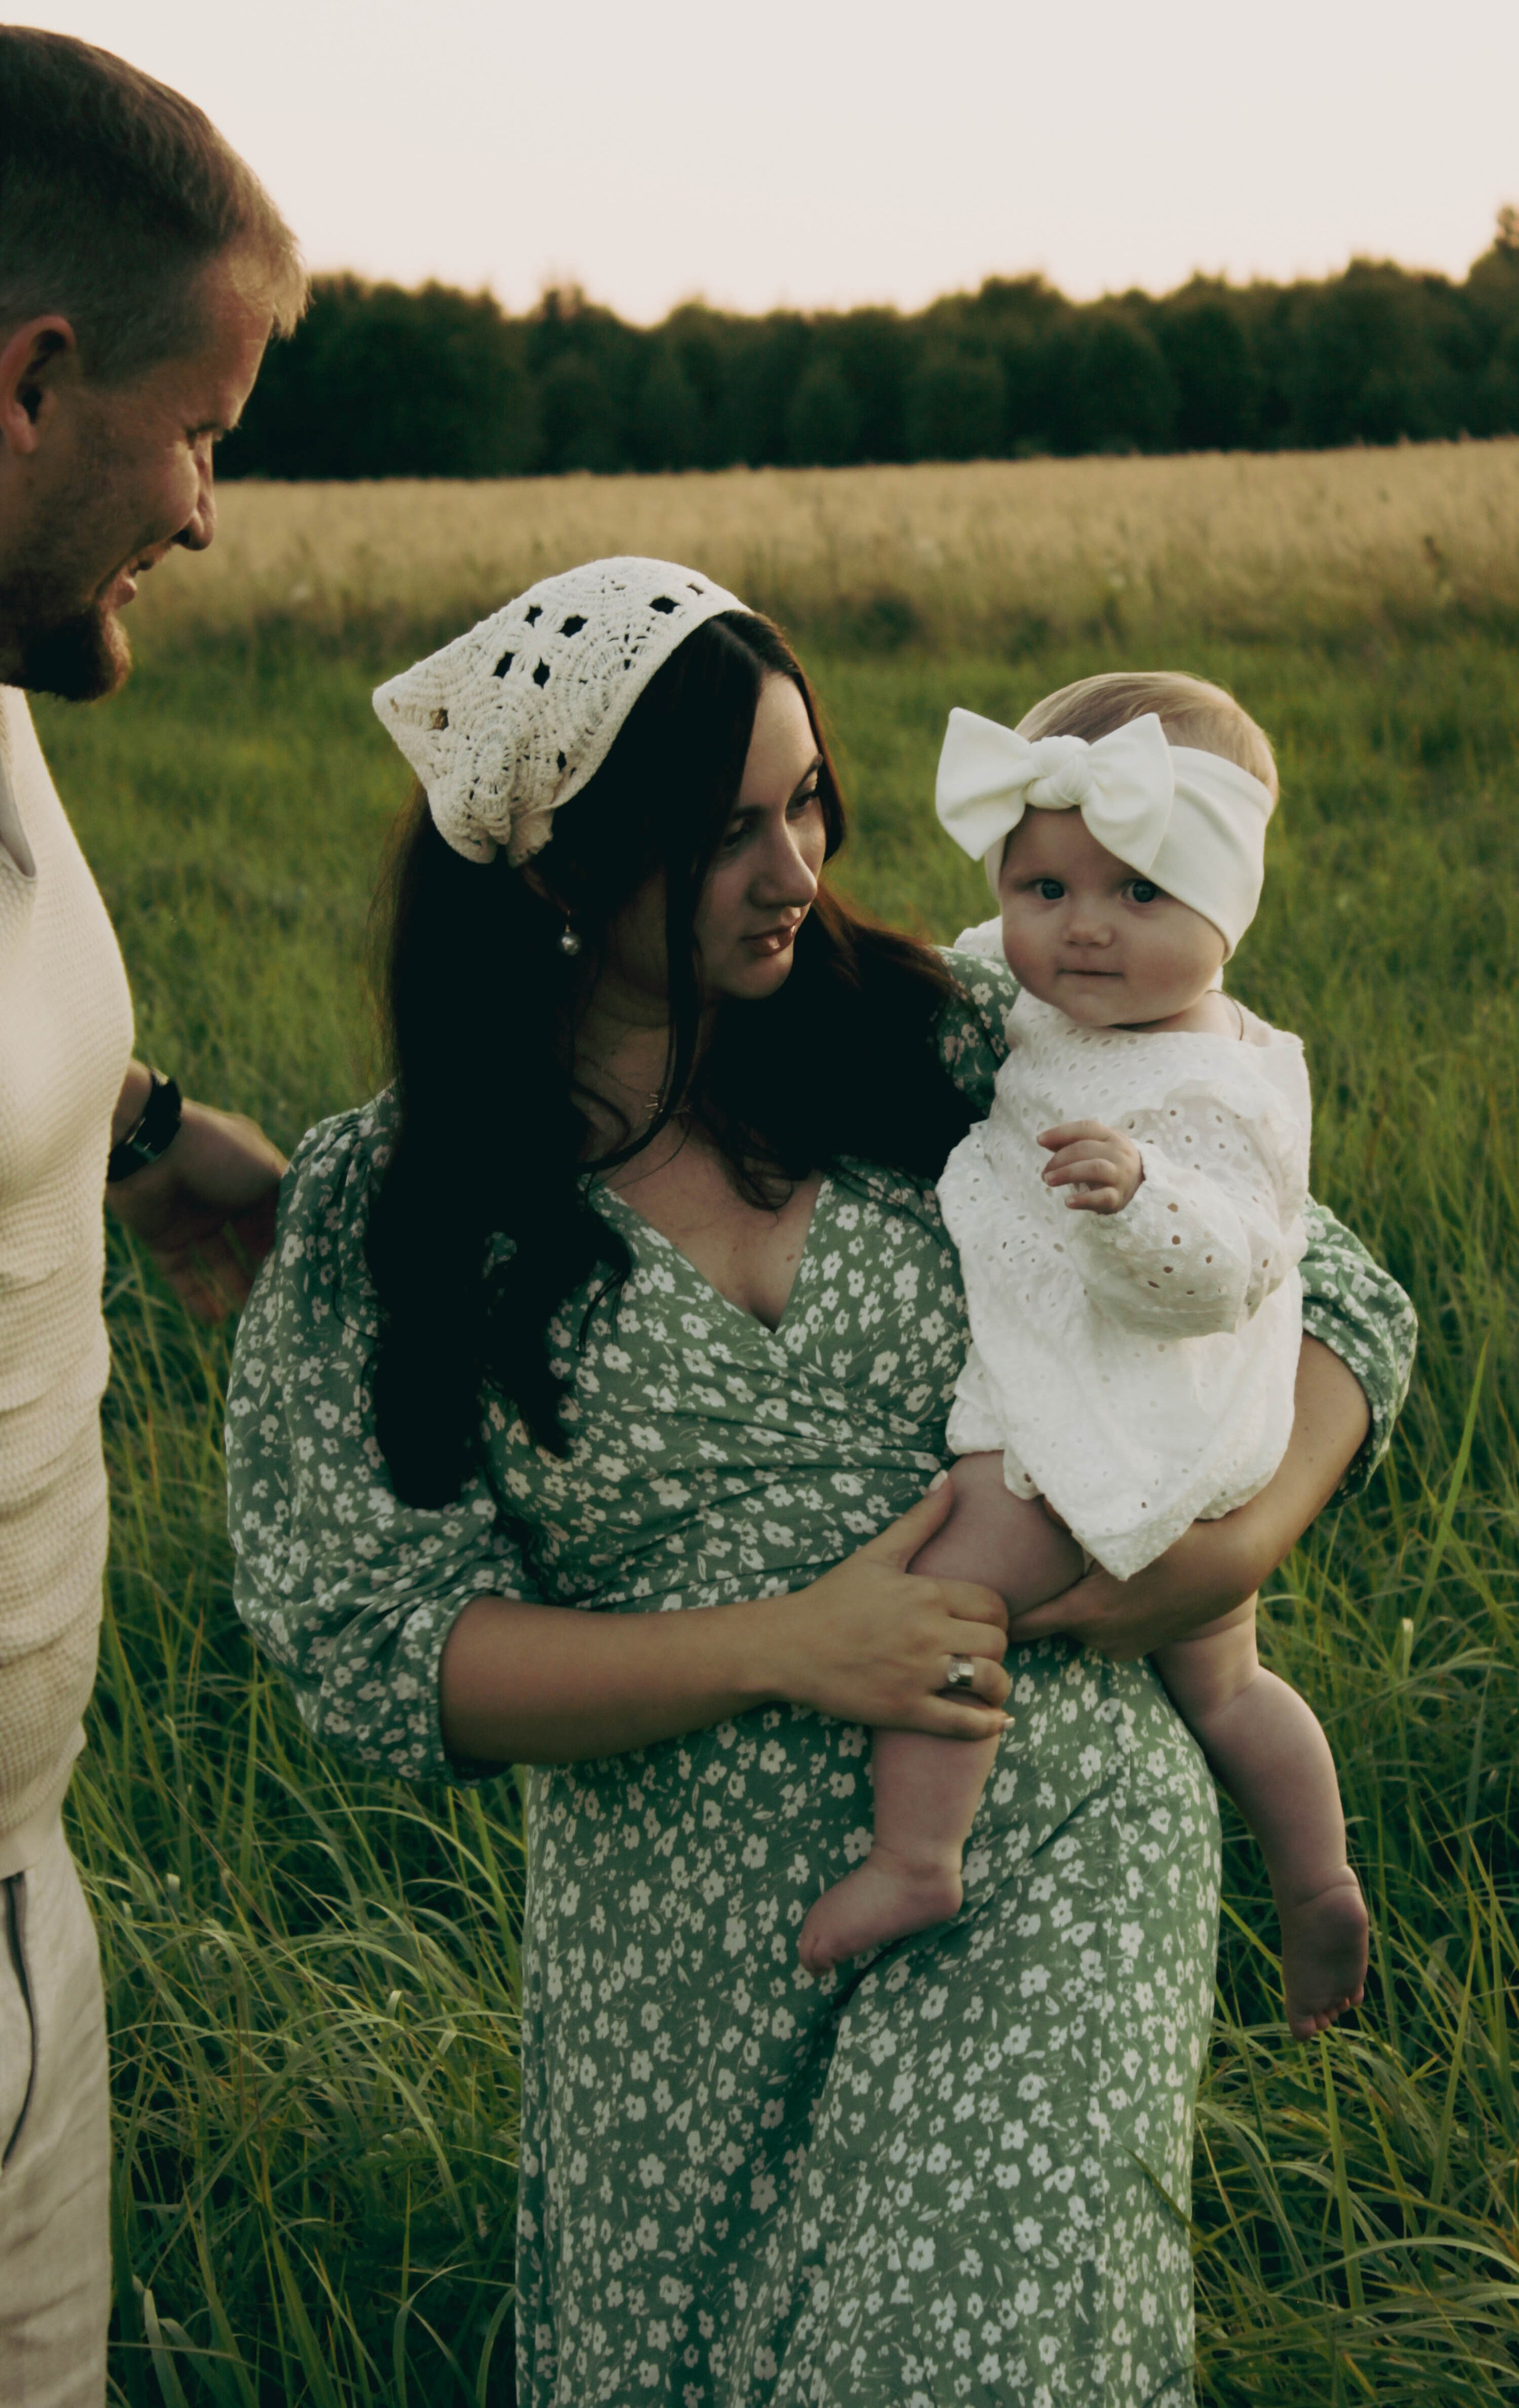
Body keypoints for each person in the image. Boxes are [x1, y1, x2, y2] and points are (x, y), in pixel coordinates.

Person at [228, 556, 1416, 2407]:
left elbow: (1329, 1286)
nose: (795, 869)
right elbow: (379, 1650)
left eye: (807, 803)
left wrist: (1225, 1554)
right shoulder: (399, 1205)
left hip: (1049, 1840)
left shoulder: (941, 1035)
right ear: (554, 870)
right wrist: (787, 1646)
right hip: (678, 1954)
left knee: (964, 2359)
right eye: (724, 834)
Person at [799, 675, 1373, 2043]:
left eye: (1137, 893)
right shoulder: (1061, 996)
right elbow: (983, 968)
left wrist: (1141, 1199)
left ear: (1226, 905)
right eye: (1043, 889)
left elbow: (1235, 1264)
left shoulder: (1216, 1085)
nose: (1085, 930)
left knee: (948, 1595)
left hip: (1116, 1408)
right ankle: (1319, 1882)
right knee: (1226, 1682)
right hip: (1185, 1430)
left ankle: (915, 1857)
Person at [0, 29, 303, 2397]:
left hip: (30, 1881)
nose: (205, 511)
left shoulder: (1, 681)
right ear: (29, 384)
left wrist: (139, 1134)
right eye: (199, 429)